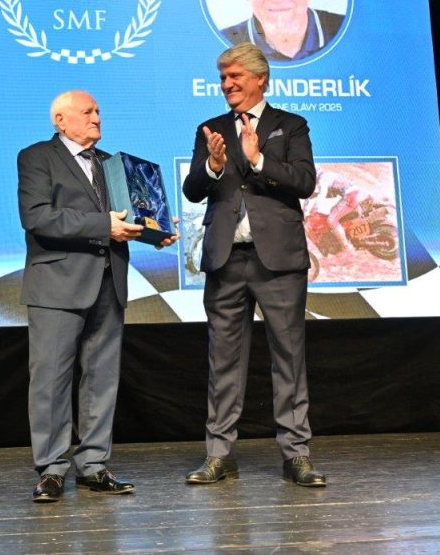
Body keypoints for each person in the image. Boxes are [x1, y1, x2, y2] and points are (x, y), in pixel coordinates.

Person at [16, 89, 178, 503]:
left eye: (99, 111)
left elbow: (126, 218)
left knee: (102, 378)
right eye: (87, 112)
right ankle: (51, 469)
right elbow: (37, 217)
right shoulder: (36, 157)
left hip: (109, 281)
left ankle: (93, 464)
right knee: (51, 380)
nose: (97, 118)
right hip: (57, 283)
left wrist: (155, 232)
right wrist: (103, 226)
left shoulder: (111, 163)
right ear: (60, 120)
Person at [182, 42, 325, 488]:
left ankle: (296, 454)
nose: (227, 85)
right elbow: (192, 190)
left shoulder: (290, 125)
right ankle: (219, 455)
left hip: (279, 260)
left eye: (235, 77)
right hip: (226, 259)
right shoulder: (210, 129)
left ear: (260, 78)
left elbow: (304, 181)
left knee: (289, 357)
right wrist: (213, 164)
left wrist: (259, 159)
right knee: (222, 360)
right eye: (222, 78)